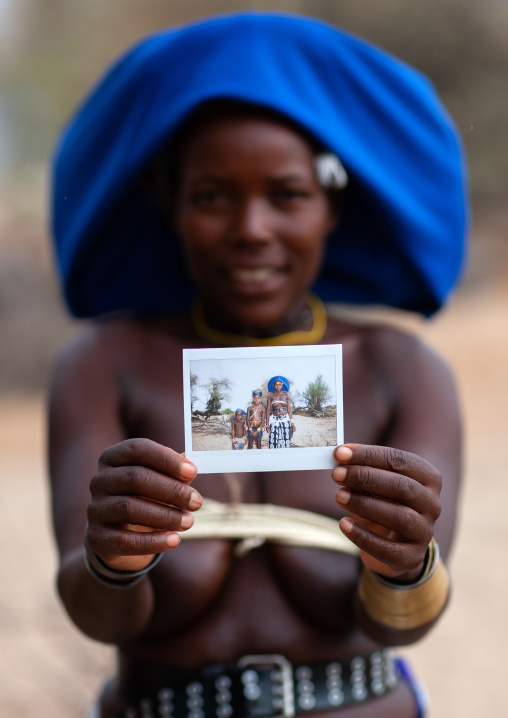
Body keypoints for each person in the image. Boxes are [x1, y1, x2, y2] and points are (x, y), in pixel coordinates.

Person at [49, 13, 468, 718]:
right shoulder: (106, 365)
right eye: (212, 196)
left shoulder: (402, 368)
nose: (251, 230)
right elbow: (97, 615)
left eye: (288, 195)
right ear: (170, 204)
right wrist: (112, 559)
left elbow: (408, 621)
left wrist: (407, 563)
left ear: (331, 207)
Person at [266, 376, 296, 449]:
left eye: (279, 384)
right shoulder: (271, 395)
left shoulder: (286, 395)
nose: (278, 386)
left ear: (282, 385)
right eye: (276, 385)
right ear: (274, 386)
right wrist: (267, 424)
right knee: (274, 441)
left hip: (285, 419)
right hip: (274, 419)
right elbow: (268, 409)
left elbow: (289, 409)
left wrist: (292, 423)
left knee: (285, 440)